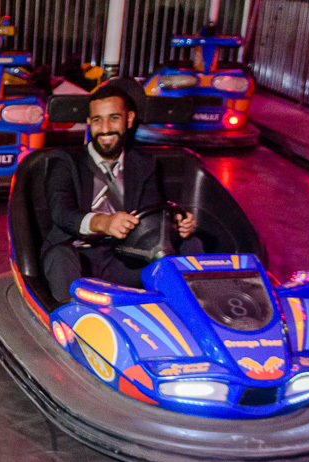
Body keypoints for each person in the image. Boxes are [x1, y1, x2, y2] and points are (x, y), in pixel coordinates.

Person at [41, 83, 199, 303]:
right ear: (89, 123)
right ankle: (77, 322)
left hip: (125, 257)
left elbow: (151, 216)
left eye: (114, 118)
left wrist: (176, 225)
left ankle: (190, 316)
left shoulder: (143, 164)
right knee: (60, 256)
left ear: (129, 119)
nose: (105, 129)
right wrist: (102, 223)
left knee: (192, 244)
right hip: (80, 256)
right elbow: (61, 213)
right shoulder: (66, 161)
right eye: (97, 120)